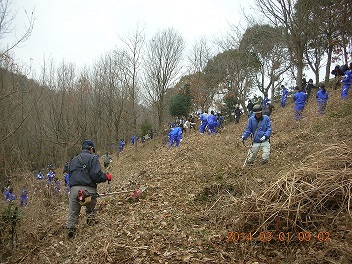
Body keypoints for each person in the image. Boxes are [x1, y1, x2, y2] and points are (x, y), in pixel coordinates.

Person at [66, 140, 112, 238]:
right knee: (90, 211)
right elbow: (96, 176)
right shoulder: (93, 158)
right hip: (88, 191)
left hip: (74, 190)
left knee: (73, 215)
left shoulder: (73, 160)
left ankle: (70, 236)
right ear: (91, 149)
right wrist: (106, 177)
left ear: (82, 149)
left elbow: (69, 176)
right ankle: (91, 233)